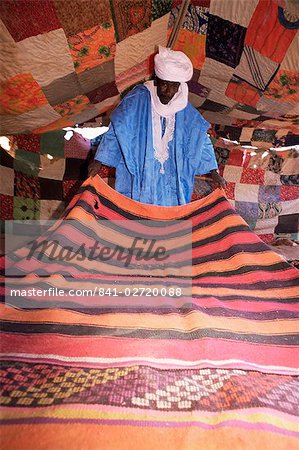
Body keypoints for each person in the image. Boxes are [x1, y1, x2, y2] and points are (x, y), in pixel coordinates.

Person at [88, 46, 226, 206]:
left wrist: (214, 171)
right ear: (156, 81)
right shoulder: (136, 100)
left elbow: (200, 138)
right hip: (140, 179)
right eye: (165, 85)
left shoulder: (184, 108)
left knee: (171, 225)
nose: (169, 92)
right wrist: (99, 160)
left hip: (173, 185)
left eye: (174, 86)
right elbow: (118, 129)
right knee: (138, 222)